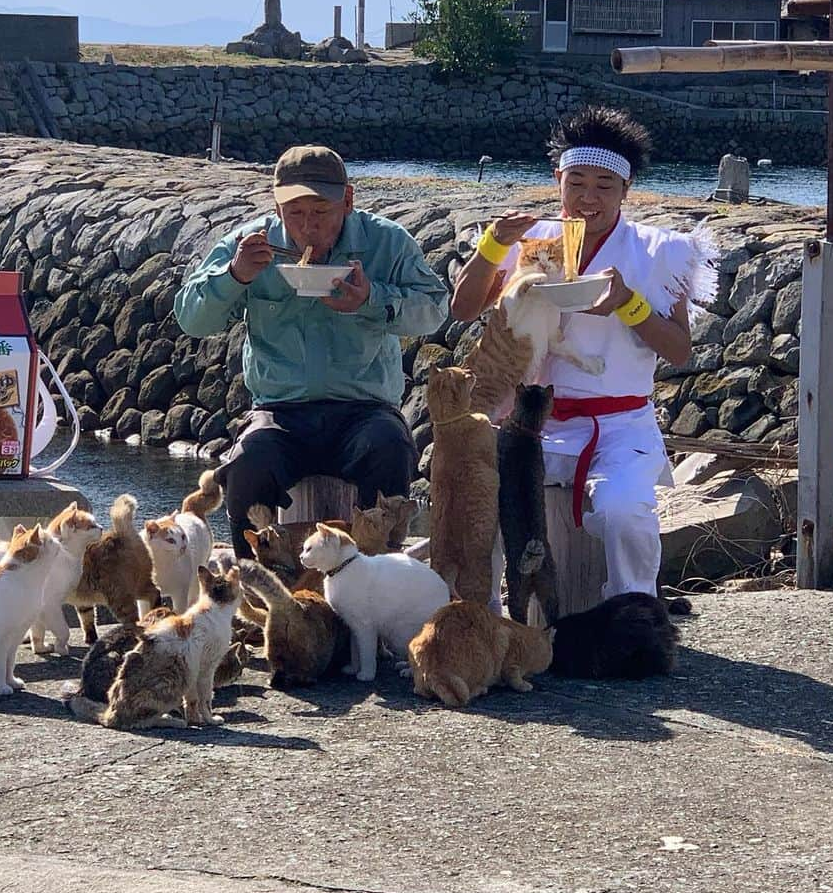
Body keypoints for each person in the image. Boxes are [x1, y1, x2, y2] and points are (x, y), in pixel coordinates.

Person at [450, 106, 718, 601]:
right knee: (478, 498)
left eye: (604, 186)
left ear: (626, 189)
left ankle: (635, 615)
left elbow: (679, 349)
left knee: (622, 511)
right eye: (576, 183)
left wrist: (628, 305)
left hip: (620, 425)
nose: (587, 199)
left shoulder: (662, 251)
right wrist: (493, 244)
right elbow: (464, 308)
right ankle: (480, 617)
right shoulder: (535, 240)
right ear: (557, 180)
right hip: (532, 421)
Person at [175, 144, 448, 557]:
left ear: (348, 201)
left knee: (390, 449)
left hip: (364, 409)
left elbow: (435, 310)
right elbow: (191, 319)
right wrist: (235, 276)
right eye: (295, 213)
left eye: (321, 212)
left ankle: (378, 581)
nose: (308, 227)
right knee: (247, 466)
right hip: (280, 412)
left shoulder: (386, 243)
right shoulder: (250, 244)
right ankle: (259, 591)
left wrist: (373, 299)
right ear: (276, 205)